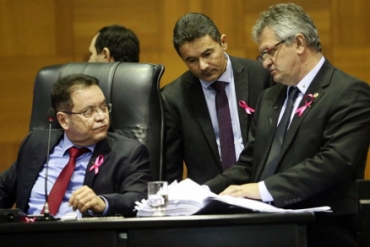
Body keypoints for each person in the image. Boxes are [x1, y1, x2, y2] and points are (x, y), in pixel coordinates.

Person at [205, 3, 370, 247]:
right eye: (262, 55)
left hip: (321, 230)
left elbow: (333, 163)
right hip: (262, 229)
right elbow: (250, 163)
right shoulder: (269, 98)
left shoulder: (348, 93)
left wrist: (262, 190)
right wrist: (203, 193)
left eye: (270, 51)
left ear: (300, 43)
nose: (265, 62)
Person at [0, 74, 152, 218]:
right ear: (63, 120)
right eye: (88, 111)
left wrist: (102, 203)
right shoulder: (35, 144)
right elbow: (4, 188)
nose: (101, 117)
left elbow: (139, 198)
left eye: (103, 107)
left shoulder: (128, 153)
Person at [161, 12, 271, 185]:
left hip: (262, 189)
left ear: (223, 42)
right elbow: (170, 169)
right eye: (191, 60)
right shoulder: (172, 98)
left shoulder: (261, 76)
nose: (202, 66)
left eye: (207, 54)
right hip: (210, 198)